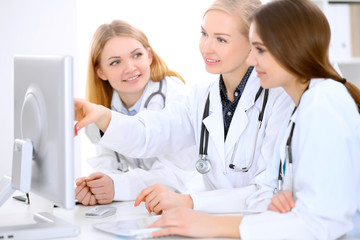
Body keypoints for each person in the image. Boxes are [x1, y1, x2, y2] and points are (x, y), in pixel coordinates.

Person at [141, 0, 360, 238]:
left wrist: (209, 225)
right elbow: (273, 193)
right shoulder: (307, 103)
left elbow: (322, 224)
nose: (252, 60)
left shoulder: (321, 106)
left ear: (292, 48)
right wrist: (285, 198)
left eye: (260, 49)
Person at [75, 0, 294, 213]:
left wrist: (189, 201)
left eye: (221, 40)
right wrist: (102, 115)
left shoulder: (279, 97)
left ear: (253, 44)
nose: (206, 48)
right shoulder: (201, 96)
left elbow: (267, 191)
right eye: (204, 34)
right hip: (209, 223)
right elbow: (148, 134)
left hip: (259, 228)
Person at [75, 19, 204, 205]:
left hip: (186, 202)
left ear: (149, 56)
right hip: (145, 205)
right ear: (101, 72)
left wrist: (117, 186)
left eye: (136, 55)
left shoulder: (176, 97)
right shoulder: (103, 108)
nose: (130, 68)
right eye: (115, 62)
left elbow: (177, 174)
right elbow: (106, 160)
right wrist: (94, 186)